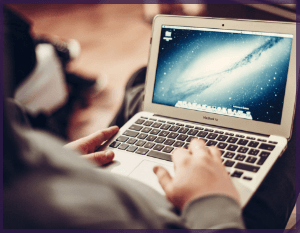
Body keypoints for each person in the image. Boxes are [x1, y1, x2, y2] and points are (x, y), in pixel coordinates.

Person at [3, 5, 297, 229]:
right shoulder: (26, 208)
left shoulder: (17, 174)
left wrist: (55, 166)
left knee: (140, 82)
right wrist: (210, 203)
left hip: (91, 182)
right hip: (205, 217)